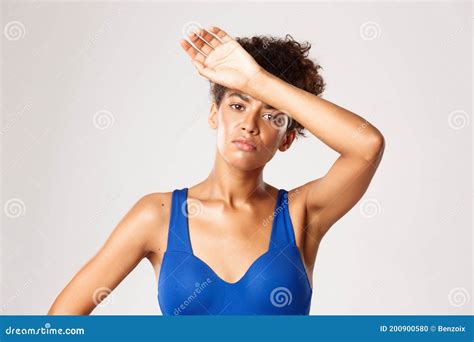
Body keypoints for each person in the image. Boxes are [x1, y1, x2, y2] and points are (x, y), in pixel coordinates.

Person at [48, 26, 384, 315]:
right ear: (214, 115)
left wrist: (256, 80)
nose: (249, 124)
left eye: (271, 115)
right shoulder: (158, 216)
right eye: (237, 105)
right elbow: (58, 322)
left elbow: (366, 145)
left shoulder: (301, 213)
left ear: (287, 139)